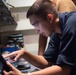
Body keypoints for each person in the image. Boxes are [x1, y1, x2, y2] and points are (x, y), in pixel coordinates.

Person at [3, 0, 76, 75]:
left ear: (49, 18)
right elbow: (47, 62)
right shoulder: (56, 33)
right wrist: (24, 54)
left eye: (36, 25)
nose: (36, 30)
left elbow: (65, 69)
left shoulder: (72, 23)